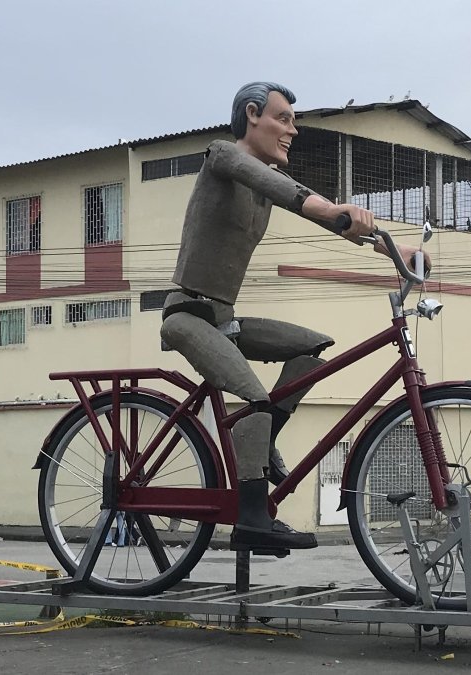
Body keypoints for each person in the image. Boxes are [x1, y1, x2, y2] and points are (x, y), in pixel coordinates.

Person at [161, 82, 427, 555]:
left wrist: (394, 248)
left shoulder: (262, 183)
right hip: (188, 314)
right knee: (256, 398)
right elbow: (292, 194)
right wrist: (332, 208)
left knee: (311, 350)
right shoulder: (224, 156)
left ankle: (260, 448)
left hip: (224, 319)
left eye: (293, 121)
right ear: (252, 114)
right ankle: (251, 516)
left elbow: (324, 217)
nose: (293, 130)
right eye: (284, 119)